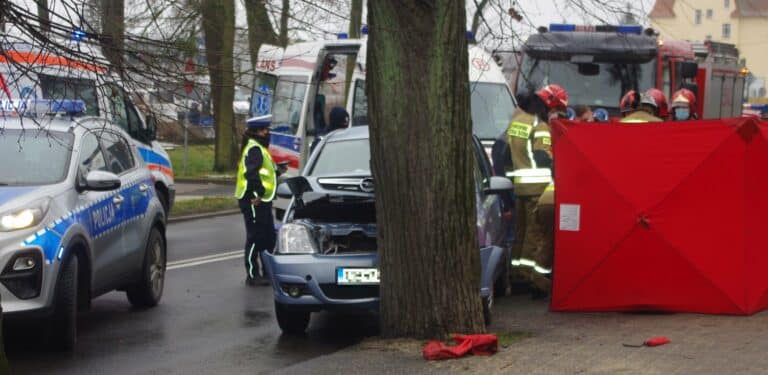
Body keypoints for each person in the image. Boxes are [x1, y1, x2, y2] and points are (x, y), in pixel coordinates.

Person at [507, 84, 567, 298]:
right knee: (535, 235)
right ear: (548, 106)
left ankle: (516, 276)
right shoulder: (540, 127)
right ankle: (533, 279)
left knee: (520, 233)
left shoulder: (517, 121)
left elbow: (507, 154)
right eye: (556, 110)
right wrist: (558, 167)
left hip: (520, 186)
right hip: (537, 189)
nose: (555, 115)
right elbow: (543, 158)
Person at [235, 114, 285, 286]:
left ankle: (267, 272)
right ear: (258, 131)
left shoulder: (259, 148)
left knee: (268, 237)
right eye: (266, 130)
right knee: (255, 237)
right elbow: (251, 175)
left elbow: (264, 173)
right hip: (254, 200)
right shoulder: (254, 149)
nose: (268, 133)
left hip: (262, 200)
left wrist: (278, 172)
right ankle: (252, 274)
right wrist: (258, 193)